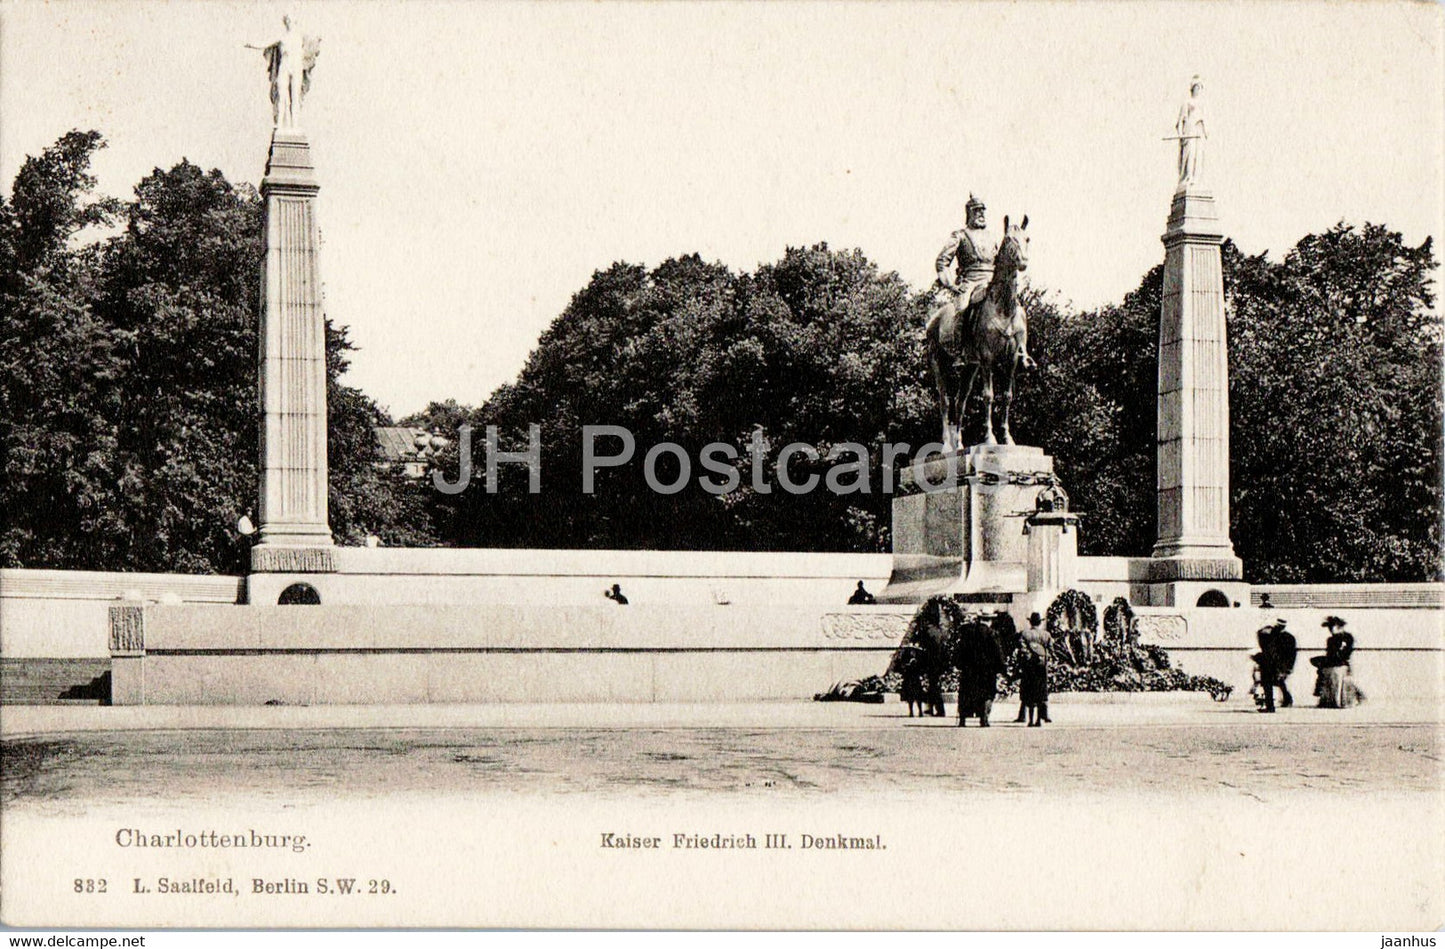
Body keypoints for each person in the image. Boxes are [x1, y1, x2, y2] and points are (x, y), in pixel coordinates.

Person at [935, 196, 1038, 370]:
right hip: (970, 281)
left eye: (983, 210)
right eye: (976, 210)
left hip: (992, 280)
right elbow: (942, 261)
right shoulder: (959, 236)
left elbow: (1001, 260)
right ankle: (961, 353)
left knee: (1017, 308)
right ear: (969, 213)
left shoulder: (992, 237)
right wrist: (951, 284)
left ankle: (1022, 352)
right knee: (962, 308)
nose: (981, 214)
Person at [1311, 616, 1365, 708]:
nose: (1330, 630)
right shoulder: (1331, 639)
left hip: (1340, 663)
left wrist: (1338, 657)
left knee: (1341, 679)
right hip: (1333, 662)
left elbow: (1346, 652)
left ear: (1339, 627)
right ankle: (1328, 699)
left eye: (1332, 627)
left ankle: (1347, 699)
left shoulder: (1347, 637)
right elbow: (1330, 653)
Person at [1252, 620, 1297, 712]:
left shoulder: (1273, 636)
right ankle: (1286, 700)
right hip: (1277, 664)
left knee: (1268, 684)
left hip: (1272, 664)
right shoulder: (1287, 637)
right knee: (1277, 682)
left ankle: (1271, 706)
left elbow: (1262, 641)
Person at [1015, 612, 1052, 724]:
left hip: (1029, 667)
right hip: (1041, 667)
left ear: (1030, 622)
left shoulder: (1025, 634)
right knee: (1041, 693)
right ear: (1040, 622)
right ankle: (1039, 719)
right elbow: (1051, 650)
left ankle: (1029, 719)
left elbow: (1021, 648)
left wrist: (1028, 658)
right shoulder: (1046, 635)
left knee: (1029, 692)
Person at [1175, 76, 1207, 189]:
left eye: (1199, 87)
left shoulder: (1202, 104)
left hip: (1199, 132)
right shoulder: (1187, 102)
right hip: (1189, 130)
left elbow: (1204, 120)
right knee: (1190, 154)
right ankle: (1188, 177)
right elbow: (1180, 121)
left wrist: (1205, 132)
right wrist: (1181, 135)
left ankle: (1196, 178)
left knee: (1198, 156)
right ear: (1192, 89)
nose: (1197, 90)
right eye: (1196, 87)